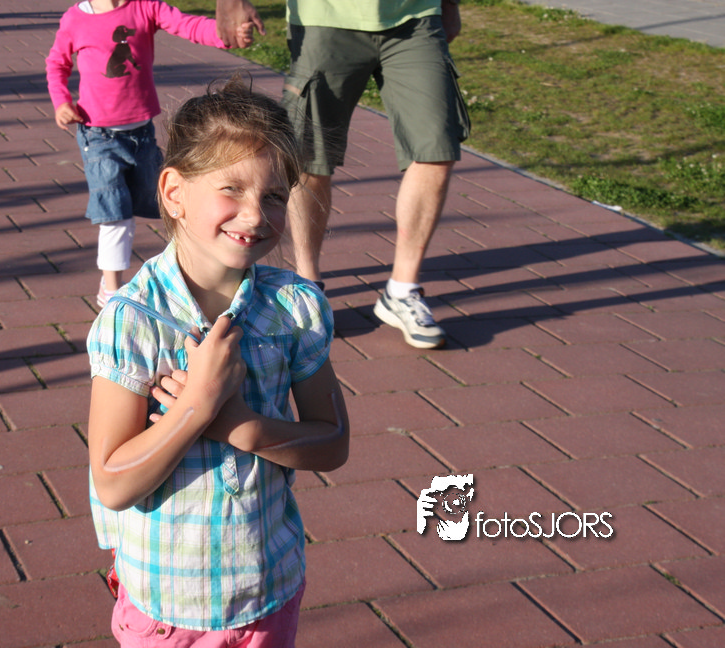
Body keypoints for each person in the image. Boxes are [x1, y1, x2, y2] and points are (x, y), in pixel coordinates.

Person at [86, 75, 349, 646]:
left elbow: (332, 443)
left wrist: (240, 426)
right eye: (232, 189)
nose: (254, 216)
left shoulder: (294, 308)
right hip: (165, 606)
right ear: (174, 192)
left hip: (266, 590)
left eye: (274, 196)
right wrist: (197, 408)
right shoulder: (133, 322)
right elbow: (112, 483)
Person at [217, 0, 469, 349]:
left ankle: (402, 289)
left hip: (417, 15)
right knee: (310, 158)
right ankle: (308, 287)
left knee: (437, 149)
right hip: (325, 15)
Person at [46, 0, 253, 309]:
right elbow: (57, 64)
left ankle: (190, 276)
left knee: (171, 203)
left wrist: (226, 34)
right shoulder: (76, 19)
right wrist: (62, 101)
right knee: (115, 214)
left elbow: (187, 25)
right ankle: (112, 290)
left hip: (142, 133)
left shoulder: (144, 7)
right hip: (98, 136)